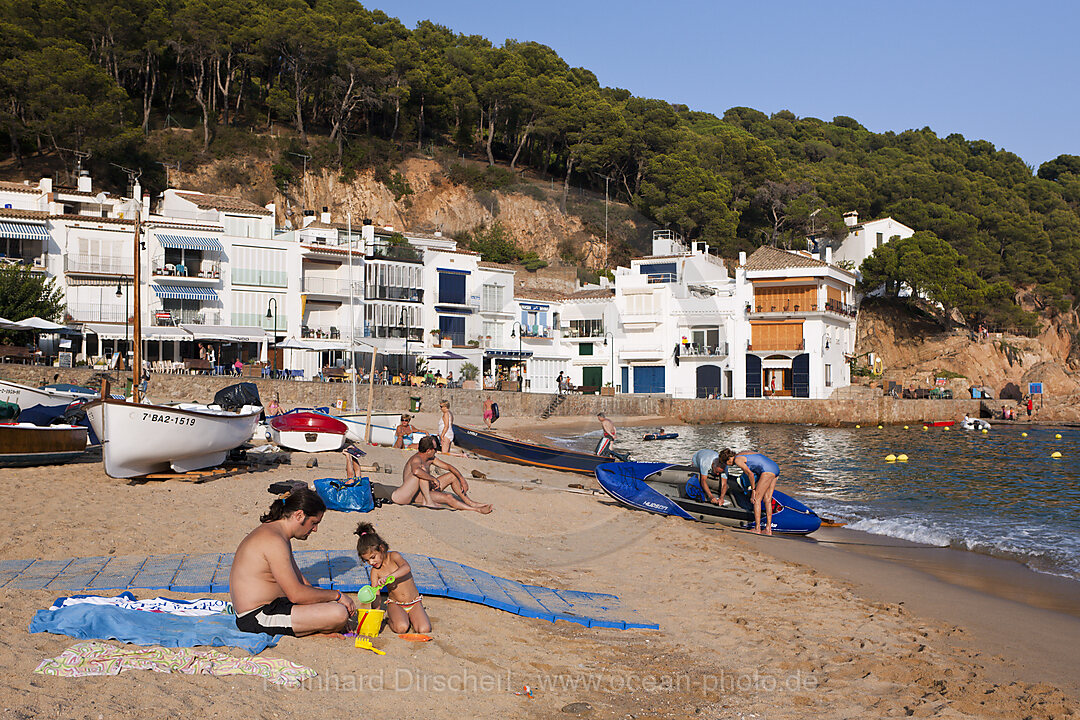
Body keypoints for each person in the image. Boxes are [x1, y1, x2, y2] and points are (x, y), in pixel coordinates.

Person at [229, 487, 355, 636]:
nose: (315, 529)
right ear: (299, 515)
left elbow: (302, 582)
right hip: (257, 616)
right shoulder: (274, 540)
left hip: (274, 606)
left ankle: (316, 626)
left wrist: (328, 602)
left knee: (333, 607)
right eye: (314, 522)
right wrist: (338, 596)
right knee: (338, 613)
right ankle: (315, 630)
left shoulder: (278, 533)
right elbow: (296, 595)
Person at [355, 522, 431, 634]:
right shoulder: (375, 572)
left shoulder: (394, 556)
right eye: (367, 560)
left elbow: (406, 568)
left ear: (381, 548)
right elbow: (376, 594)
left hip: (414, 602)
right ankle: (390, 620)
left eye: (373, 557)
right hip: (396, 604)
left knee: (424, 629)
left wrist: (390, 577)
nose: (371, 562)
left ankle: (409, 616)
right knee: (401, 628)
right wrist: (375, 615)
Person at [391, 435, 492, 513]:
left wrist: (462, 479)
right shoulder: (416, 459)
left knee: (452, 475)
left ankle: (471, 503)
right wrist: (433, 479)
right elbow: (416, 471)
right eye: (435, 449)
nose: (436, 451)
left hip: (426, 489)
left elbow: (449, 467)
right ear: (428, 450)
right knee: (448, 497)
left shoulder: (430, 458)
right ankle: (476, 510)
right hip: (415, 494)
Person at [718, 449, 781, 534]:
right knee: (767, 499)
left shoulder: (737, 460)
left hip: (767, 470)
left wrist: (753, 490)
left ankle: (757, 528)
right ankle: (768, 529)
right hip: (775, 467)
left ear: (728, 459)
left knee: (756, 500)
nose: (728, 466)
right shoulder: (742, 453)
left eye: (726, 463)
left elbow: (750, 474)